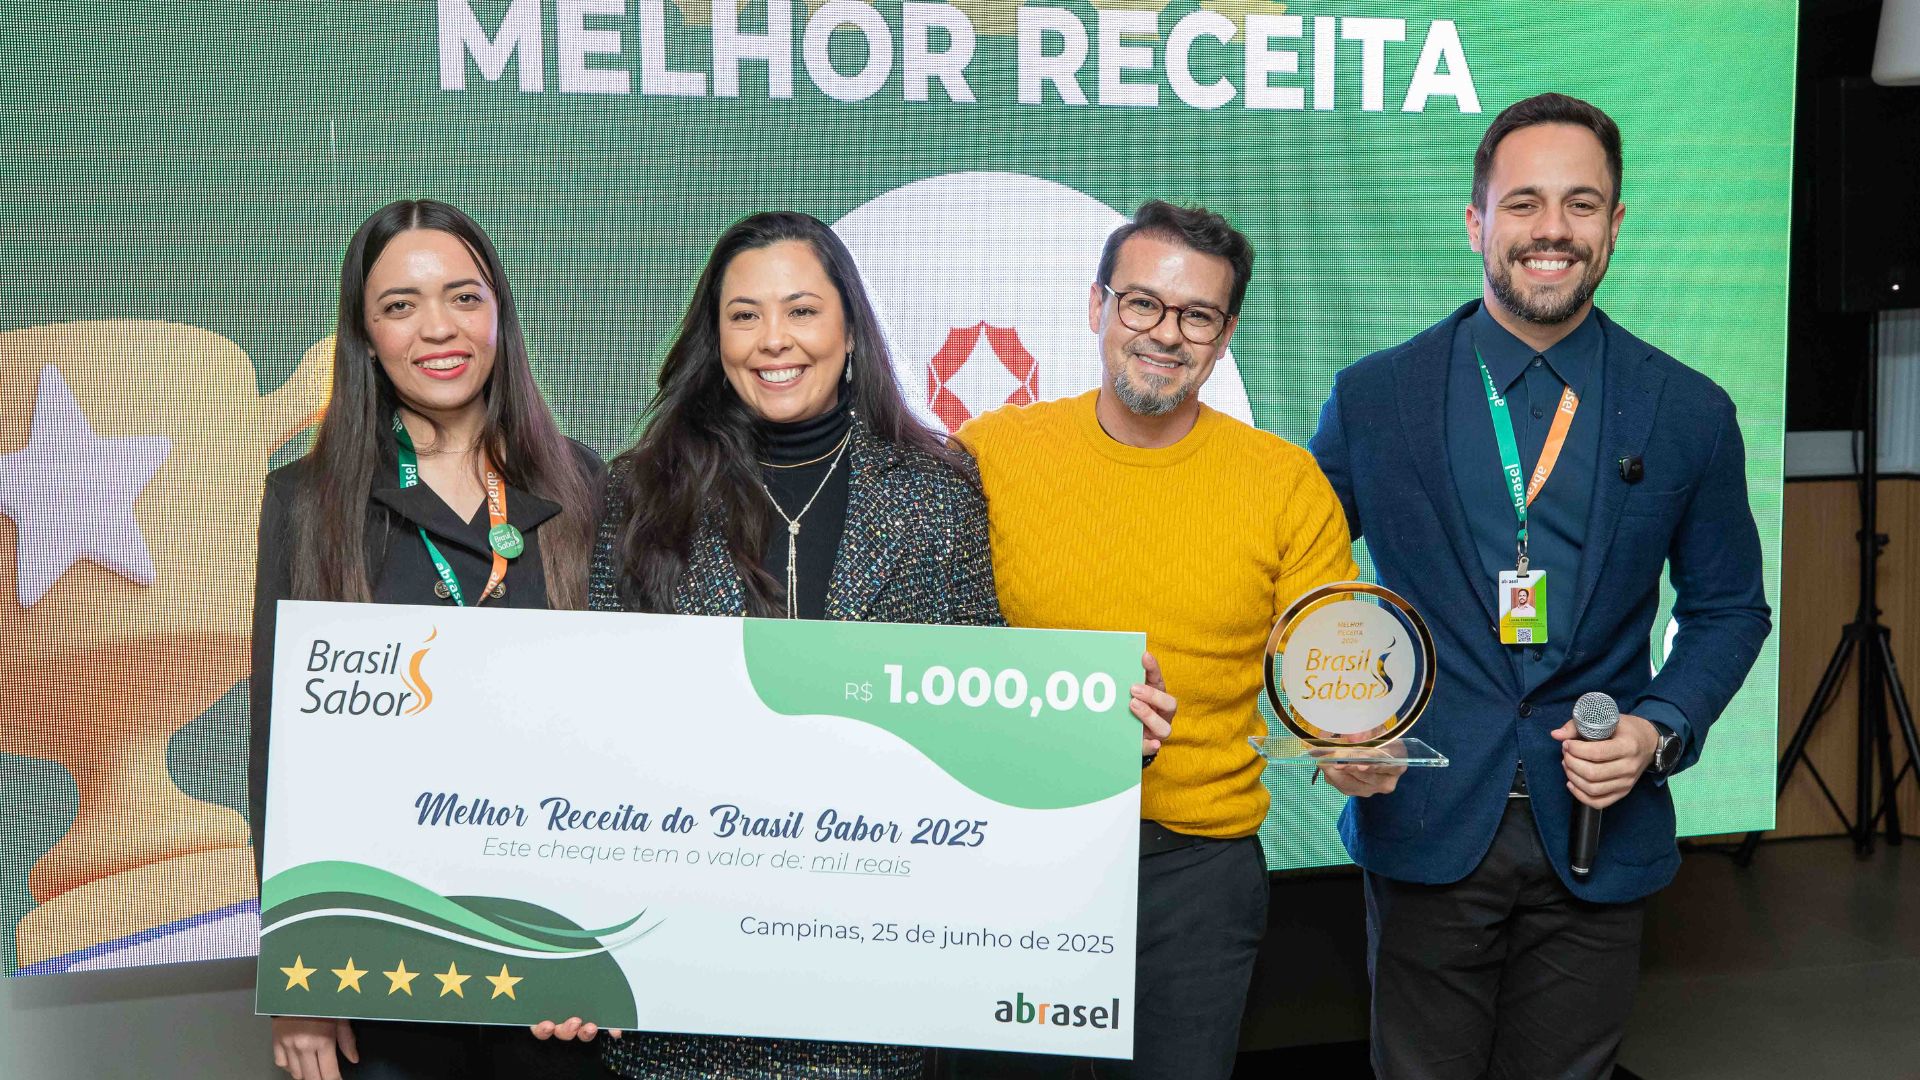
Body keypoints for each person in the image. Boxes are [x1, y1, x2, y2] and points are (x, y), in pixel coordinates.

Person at [1308, 93, 1771, 1079]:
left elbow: (1729, 608)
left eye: (1580, 203)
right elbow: (1296, 577)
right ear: (1476, 222)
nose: (1551, 229)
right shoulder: (1374, 397)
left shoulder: (1688, 410)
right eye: (1522, 203)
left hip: (1601, 825)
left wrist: (1656, 729)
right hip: (1424, 815)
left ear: (1615, 224)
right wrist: (1337, 721)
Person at [950, 200, 1358, 1080]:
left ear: (1225, 335)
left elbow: (1335, 681)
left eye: (1197, 315)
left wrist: (1356, 748)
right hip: (1015, 850)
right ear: (1096, 305)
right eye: (1142, 303)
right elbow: (929, 654)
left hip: (1195, 875)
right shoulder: (990, 454)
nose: (1166, 334)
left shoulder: (1285, 484)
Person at [248, 199, 605, 1080]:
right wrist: (297, 973)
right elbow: (280, 752)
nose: (438, 328)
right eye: (400, 306)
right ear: (366, 337)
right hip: (384, 956)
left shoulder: (586, 484)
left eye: (463, 297)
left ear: (499, 315)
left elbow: (620, 738)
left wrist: (604, 947)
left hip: (551, 957)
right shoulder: (306, 503)